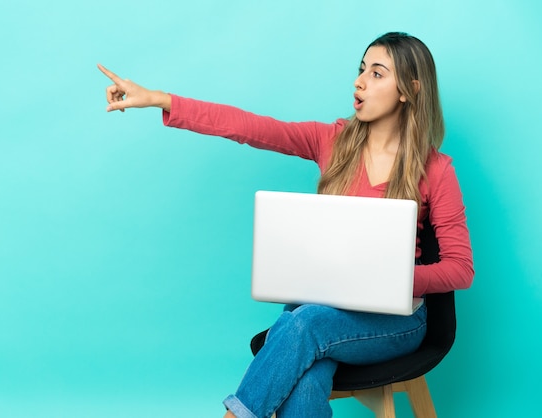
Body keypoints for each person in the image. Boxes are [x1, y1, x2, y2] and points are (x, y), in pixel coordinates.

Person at [98, 31, 473, 418]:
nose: (359, 82)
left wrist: (391, 277)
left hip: (395, 322)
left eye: (377, 74)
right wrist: (161, 99)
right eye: (361, 70)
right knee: (305, 378)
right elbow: (249, 127)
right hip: (321, 307)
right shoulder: (332, 140)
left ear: (409, 90)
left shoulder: (437, 171)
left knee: (302, 324)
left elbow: (461, 269)